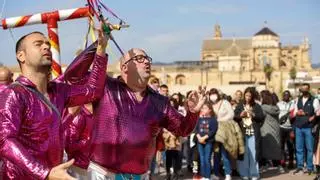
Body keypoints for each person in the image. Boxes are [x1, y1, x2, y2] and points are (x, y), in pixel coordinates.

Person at [63, 48, 207, 179]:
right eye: (139, 58)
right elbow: (73, 76)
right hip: (103, 173)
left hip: (140, 175)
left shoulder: (160, 102)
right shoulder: (106, 87)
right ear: (124, 67)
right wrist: (99, 46)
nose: (146, 61)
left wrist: (193, 113)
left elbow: (183, 129)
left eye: (147, 58)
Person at [0, 24, 108, 179]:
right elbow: (5, 141)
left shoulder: (58, 91)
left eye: (47, 44)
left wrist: (101, 49)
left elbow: (93, 92)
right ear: (21, 56)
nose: (46, 47)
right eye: (38, 44)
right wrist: (45, 173)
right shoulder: (14, 94)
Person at [234, 87, 264, 180]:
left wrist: (253, 114)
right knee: (244, 153)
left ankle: (254, 173)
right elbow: (234, 117)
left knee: (254, 153)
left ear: (252, 97)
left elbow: (261, 117)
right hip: (242, 133)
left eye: (250, 96)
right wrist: (240, 116)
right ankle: (244, 174)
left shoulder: (257, 106)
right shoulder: (239, 106)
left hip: (253, 133)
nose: (248, 97)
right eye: (246, 95)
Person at [292, 83, 320, 175]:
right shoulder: (298, 100)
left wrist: (313, 117)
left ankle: (309, 167)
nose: (303, 91)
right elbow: (294, 112)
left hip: (309, 127)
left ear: (308, 89)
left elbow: (318, 112)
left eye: (305, 89)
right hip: (298, 127)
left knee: (309, 148)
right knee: (299, 148)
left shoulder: (314, 100)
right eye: (302, 89)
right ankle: (300, 166)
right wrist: (297, 113)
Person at [209, 88, 234, 180]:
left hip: (224, 130)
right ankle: (216, 173)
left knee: (224, 152)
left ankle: (228, 173)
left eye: (214, 94)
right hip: (213, 131)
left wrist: (219, 120)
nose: (213, 96)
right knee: (216, 153)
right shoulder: (210, 104)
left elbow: (231, 114)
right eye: (211, 94)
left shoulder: (225, 102)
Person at [260, 90, 282, 172]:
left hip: (266, 129)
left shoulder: (263, 107)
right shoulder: (276, 107)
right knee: (276, 146)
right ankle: (278, 165)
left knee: (264, 148)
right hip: (276, 129)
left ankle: (263, 165)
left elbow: (260, 117)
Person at [195, 101, 218, 180]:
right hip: (199, 142)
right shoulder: (199, 119)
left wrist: (204, 138)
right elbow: (196, 129)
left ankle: (207, 176)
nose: (203, 109)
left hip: (208, 142)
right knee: (201, 159)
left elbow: (213, 130)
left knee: (207, 159)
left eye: (205, 108)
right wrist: (199, 137)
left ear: (210, 110)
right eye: (202, 108)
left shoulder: (213, 119)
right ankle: (203, 175)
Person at [277, 90, 295, 169]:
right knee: (281, 146)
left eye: (287, 95)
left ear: (289, 96)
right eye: (285, 95)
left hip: (290, 128)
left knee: (290, 146)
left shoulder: (293, 104)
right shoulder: (278, 104)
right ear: (283, 96)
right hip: (281, 127)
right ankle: (282, 161)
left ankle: (291, 162)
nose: (286, 96)